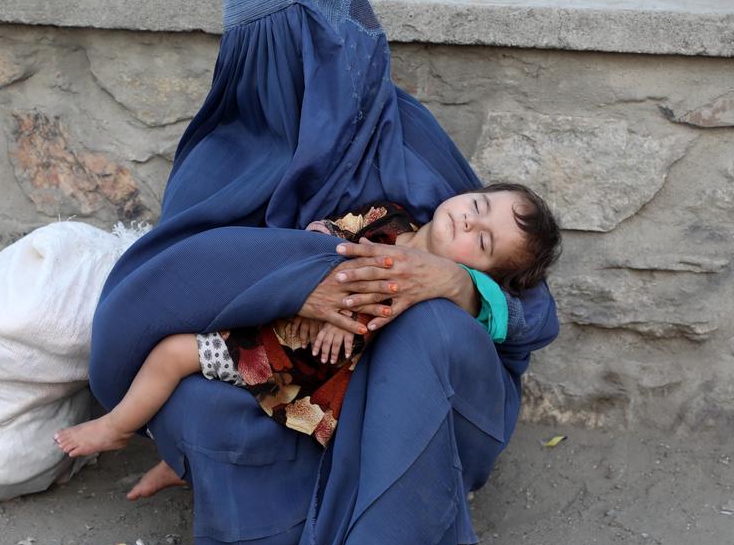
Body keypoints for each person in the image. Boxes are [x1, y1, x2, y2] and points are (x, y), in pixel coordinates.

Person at [87, 0, 560, 545]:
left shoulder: (408, 139)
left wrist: (459, 286)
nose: (349, 52)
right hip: (290, 374)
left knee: (431, 327)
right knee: (189, 402)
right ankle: (295, 530)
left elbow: (535, 313)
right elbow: (154, 294)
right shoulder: (227, 150)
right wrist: (294, 281)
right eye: (322, 43)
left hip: (410, 390)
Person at [58, 186, 559, 458]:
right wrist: (315, 266)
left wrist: (347, 319)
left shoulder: (430, 300)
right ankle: (152, 444)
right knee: (181, 365)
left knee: (178, 359)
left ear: (478, 272)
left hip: (297, 368)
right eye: (478, 205)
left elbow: (396, 337)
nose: (470, 221)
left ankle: (116, 427)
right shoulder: (390, 217)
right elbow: (325, 235)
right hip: (270, 326)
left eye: (484, 242)